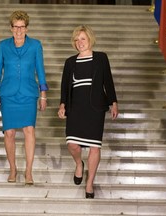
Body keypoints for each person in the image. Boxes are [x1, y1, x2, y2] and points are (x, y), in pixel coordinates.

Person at [58, 25, 118, 199]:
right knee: (72, 144)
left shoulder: (101, 58)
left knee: (94, 147)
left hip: (95, 108)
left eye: (82, 39)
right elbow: (64, 86)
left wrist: (113, 102)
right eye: (76, 40)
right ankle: (79, 164)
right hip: (75, 107)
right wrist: (62, 105)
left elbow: (108, 80)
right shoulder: (70, 62)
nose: (79, 43)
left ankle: (90, 183)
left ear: (90, 39)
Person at [0, 10, 48, 185]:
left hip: (28, 94)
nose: (18, 30)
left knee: (29, 130)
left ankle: (29, 171)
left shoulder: (36, 45)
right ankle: (13, 168)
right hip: (8, 94)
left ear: (27, 28)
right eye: (15, 27)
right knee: (9, 133)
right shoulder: (3, 45)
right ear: (10, 28)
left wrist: (43, 95)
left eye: (22, 27)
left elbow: (40, 70)